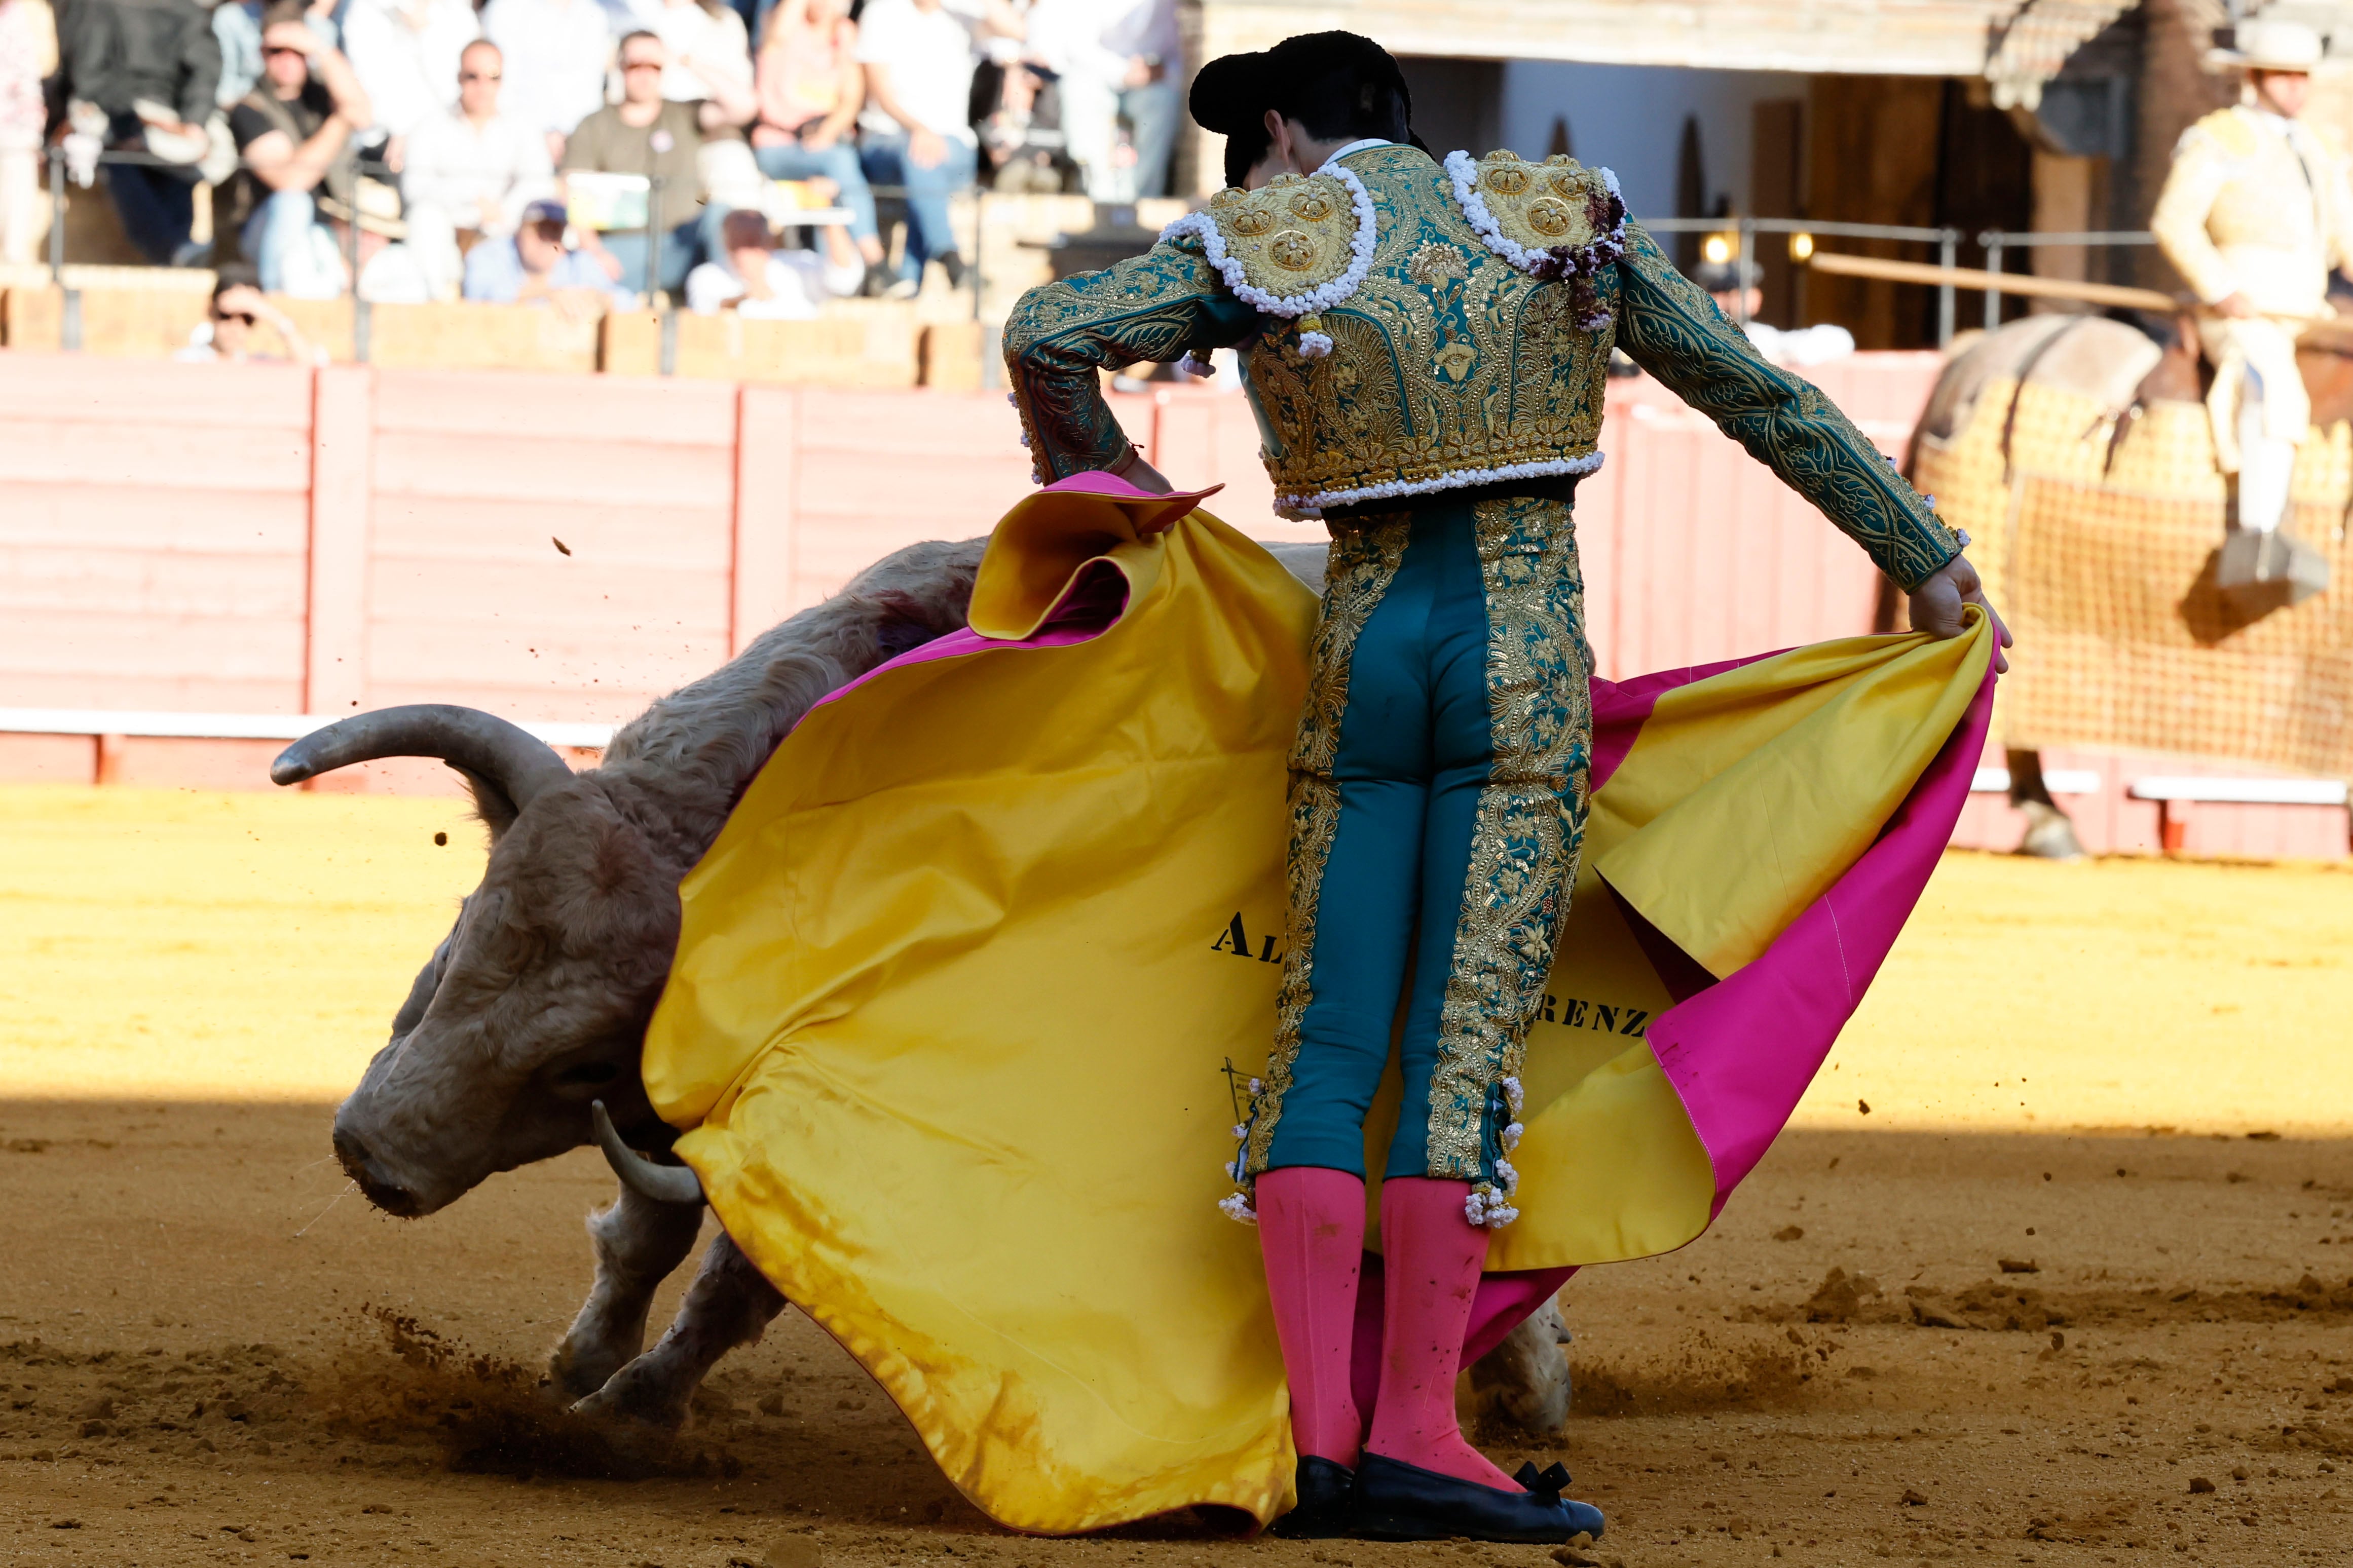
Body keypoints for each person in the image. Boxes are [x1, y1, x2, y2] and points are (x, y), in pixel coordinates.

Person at [1001, 30, 2004, 1542]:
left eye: (1253, 146)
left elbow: (1042, 331)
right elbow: (1759, 396)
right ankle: (1413, 1430)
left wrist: (1133, 520)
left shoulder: (1262, 239)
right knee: (1461, 1039)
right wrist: (1923, 567)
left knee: (1324, 1037)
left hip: (1362, 650)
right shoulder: (1560, 215)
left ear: (1279, 129)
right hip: (1514, 654)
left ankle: (1314, 1441)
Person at [2152, 18, 2353, 543]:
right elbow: (2172, 220)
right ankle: (2259, 538)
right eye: (2282, 74)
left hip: (2308, 308)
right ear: (2254, 76)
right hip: (2242, 308)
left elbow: (2344, 238)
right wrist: (2221, 290)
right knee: (2269, 383)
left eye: (2302, 75)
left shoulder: (2319, 148)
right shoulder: (2219, 137)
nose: (2295, 86)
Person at [561, 27, 743, 297]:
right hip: (621, 248)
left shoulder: (684, 114)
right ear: (620, 67)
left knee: (721, 214)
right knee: (580, 275)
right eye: (636, 64)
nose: (645, 74)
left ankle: (731, 303)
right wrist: (596, 252)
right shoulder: (593, 125)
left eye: (654, 65)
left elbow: (743, 106)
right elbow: (571, 193)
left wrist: (688, 62)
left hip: (684, 243)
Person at [57, 0, 220, 264]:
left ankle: (176, 249)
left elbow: (87, 70)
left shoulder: (103, 8)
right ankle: (175, 249)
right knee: (126, 160)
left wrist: (188, 123)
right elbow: (204, 74)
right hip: (130, 119)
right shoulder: (187, 12)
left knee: (164, 168)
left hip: (158, 123)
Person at [227, 9, 372, 296]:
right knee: (293, 205)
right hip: (266, 233)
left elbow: (364, 114)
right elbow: (291, 180)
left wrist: (321, 47)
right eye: (276, 50)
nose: (286, 59)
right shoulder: (248, 108)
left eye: (297, 51)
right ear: (262, 54)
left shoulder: (320, 96)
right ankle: (274, 296)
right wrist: (339, 121)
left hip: (329, 229)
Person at [400, 39, 556, 299]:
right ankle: (436, 304)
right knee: (424, 219)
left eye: (493, 77)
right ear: (459, 78)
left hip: (506, 227)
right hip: (450, 226)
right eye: (473, 76)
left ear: (503, 80)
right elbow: (415, 189)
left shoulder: (523, 126)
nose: (482, 86)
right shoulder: (429, 126)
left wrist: (502, 211)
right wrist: (472, 203)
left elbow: (539, 183)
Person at [854, 0, 990, 293]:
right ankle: (945, 255)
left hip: (951, 147)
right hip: (889, 141)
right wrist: (919, 129)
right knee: (921, 159)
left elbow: (1017, 29)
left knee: (924, 161)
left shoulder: (963, 14)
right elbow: (881, 92)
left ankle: (916, 277)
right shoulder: (881, 11)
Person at [750, 0, 885, 288]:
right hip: (778, 144)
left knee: (834, 175)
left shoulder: (844, 33)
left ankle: (847, 277)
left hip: (824, 148)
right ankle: (874, 260)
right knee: (840, 163)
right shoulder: (782, 28)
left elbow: (851, 99)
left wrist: (827, 133)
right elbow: (781, 28)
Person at [1025, 0, 1177, 201]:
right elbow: (1077, 46)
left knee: (1164, 99)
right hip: (1097, 74)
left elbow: (1179, 51)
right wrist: (1123, 72)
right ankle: (1095, 195)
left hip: (1147, 81)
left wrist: (1158, 70)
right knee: (1079, 89)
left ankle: (1145, 199)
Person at [480, 0, 612, 162]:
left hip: (578, 145)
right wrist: (539, 137)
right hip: (518, 142)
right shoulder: (506, 8)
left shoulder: (594, 15)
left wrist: (575, 139)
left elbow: (590, 88)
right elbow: (502, 86)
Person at [462, 194, 634, 316]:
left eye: (554, 233)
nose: (546, 241)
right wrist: (547, 293)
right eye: (539, 231)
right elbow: (476, 298)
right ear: (520, 231)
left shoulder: (578, 261)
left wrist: (597, 298)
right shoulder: (489, 253)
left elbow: (628, 302)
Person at [339, 0, 477, 147]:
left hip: (444, 136)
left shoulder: (460, 14)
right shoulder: (368, 8)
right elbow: (366, 84)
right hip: (381, 140)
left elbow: (458, 89)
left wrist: (425, 32)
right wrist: (402, 129)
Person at [684, 203, 841, 316]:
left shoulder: (796, 264)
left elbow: (843, 279)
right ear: (725, 242)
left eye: (753, 241)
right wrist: (743, 298)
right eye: (737, 241)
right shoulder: (706, 276)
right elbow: (703, 319)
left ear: (770, 241)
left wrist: (829, 216)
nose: (744, 249)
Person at [0, 0, 52, 265]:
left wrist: (34, 133)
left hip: (11, 125)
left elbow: (27, 78)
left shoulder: (15, 16)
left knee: (21, 160)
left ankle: (14, 256)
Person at [175, 265, 316, 359]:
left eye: (247, 318)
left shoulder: (257, 364)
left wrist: (268, 313)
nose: (235, 327)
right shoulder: (187, 360)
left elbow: (310, 368)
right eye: (226, 316)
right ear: (211, 311)